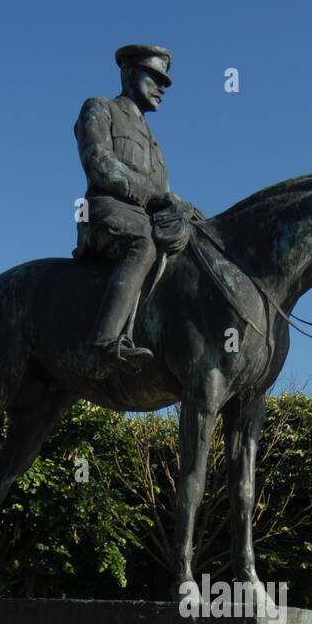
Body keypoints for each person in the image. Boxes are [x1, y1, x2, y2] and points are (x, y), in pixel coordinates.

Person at [73, 44, 199, 375]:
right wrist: (154, 196)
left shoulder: (155, 144)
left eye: (166, 82)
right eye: (155, 78)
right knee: (142, 245)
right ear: (130, 73)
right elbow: (98, 164)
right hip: (106, 211)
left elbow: (165, 194)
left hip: (146, 217)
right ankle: (104, 343)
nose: (162, 88)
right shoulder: (100, 109)